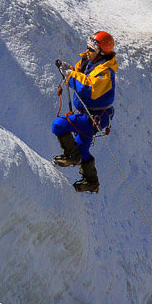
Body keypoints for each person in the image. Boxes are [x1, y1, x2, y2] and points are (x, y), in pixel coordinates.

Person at [52, 31, 118, 193]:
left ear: (101, 53)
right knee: (82, 149)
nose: (87, 51)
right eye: (88, 48)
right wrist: (69, 70)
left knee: (59, 124)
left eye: (91, 49)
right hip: (89, 114)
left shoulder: (105, 74)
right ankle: (91, 182)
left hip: (93, 118)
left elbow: (87, 88)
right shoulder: (89, 62)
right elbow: (80, 74)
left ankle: (72, 157)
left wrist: (70, 75)